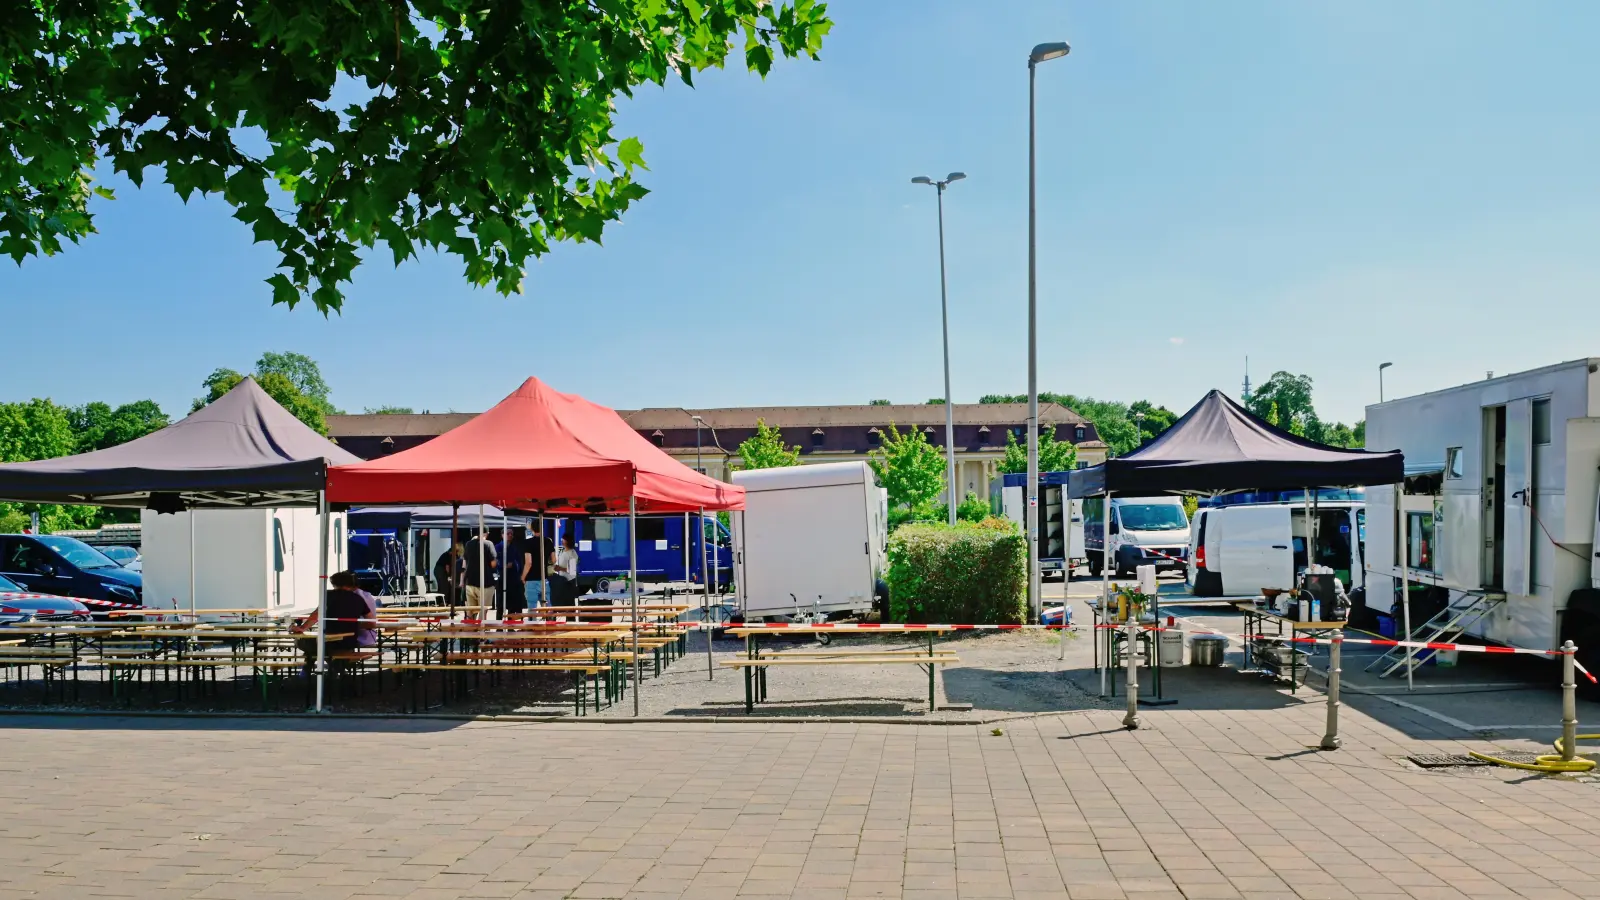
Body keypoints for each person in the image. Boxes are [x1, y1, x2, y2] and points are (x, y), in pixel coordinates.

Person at [293, 570, 378, 673]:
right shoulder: (359, 599)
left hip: (329, 641)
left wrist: (302, 627)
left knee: (305, 643)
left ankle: (311, 670)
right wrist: (352, 624)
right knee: (319, 647)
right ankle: (336, 669)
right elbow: (372, 622)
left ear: (334, 583)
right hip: (349, 642)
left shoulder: (328, 596)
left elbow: (317, 614)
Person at [463, 530, 498, 616]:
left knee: (470, 611)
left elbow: (465, 563)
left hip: (470, 582)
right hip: (485, 582)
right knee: (483, 611)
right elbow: (493, 563)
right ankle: (482, 629)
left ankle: (470, 629)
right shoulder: (488, 544)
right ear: (487, 533)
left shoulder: (468, 544)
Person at [502, 526, 527, 617]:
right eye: (507, 533)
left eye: (511, 534)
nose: (510, 535)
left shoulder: (516, 547)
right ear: (502, 535)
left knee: (516, 602)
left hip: (515, 578)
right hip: (503, 578)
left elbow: (520, 562)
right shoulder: (499, 547)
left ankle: (513, 623)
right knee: (502, 604)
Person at [550, 531, 579, 608]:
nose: (562, 541)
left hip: (569, 582)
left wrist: (560, 568)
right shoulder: (563, 551)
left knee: (569, 605)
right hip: (562, 581)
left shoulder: (572, 553)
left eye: (563, 540)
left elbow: (572, 570)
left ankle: (571, 619)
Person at [524, 523, 545, 611]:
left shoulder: (528, 542)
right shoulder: (548, 541)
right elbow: (554, 560)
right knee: (547, 607)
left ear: (532, 529)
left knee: (532, 608)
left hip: (531, 579)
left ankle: (532, 624)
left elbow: (529, 562)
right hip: (544, 579)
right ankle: (550, 624)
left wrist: (523, 576)